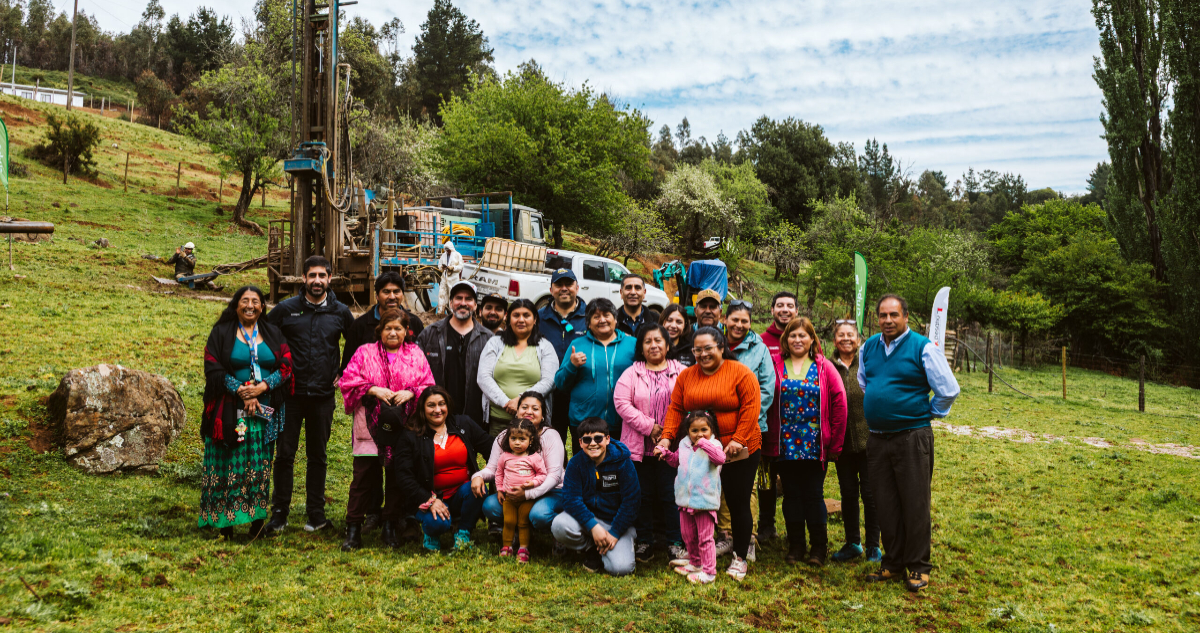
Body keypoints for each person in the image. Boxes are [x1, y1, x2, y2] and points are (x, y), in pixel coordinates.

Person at [859, 294, 960, 592]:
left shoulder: (922, 348)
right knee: (885, 503)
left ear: (906, 317)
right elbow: (866, 383)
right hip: (877, 439)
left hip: (912, 438)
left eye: (894, 315)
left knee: (915, 503)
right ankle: (892, 562)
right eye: (882, 315)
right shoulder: (869, 347)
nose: (887, 320)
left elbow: (948, 389)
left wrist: (927, 413)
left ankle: (918, 566)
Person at [657, 326, 761, 582]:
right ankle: (699, 556)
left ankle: (740, 556)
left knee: (737, 502)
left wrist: (738, 439)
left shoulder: (740, 373)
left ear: (721, 347)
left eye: (708, 348)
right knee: (698, 504)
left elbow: (751, 407)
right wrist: (667, 437)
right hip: (699, 453)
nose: (702, 354)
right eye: (697, 349)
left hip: (738, 449)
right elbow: (676, 408)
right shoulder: (687, 376)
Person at [264, 256, 354, 534]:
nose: (317, 281)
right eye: (311, 275)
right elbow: (266, 337)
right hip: (290, 395)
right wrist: (277, 372)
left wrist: (343, 370)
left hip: (323, 396)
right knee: (284, 455)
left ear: (330, 278)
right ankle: (279, 514)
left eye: (322, 276)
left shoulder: (340, 312)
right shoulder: (285, 310)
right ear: (303, 278)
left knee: (318, 456)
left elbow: (354, 341)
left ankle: (316, 514)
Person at [199, 286, 293, 540]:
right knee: (227, 463)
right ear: (236, 304)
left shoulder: (273, 333)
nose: (250, 305)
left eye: (256, 301)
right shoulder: (221, 333)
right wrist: (241, 391)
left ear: (263, 306)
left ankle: (256, 523)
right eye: (245, 301)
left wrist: (262, 387)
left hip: (265, 412)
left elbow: (286, 364)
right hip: (229, 410)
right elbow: (212, 365)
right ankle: (224, 524)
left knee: (259, 466)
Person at [338, 308, 435, 551]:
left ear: (406, 332)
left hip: (402, 426)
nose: (393, 332)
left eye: (398, 328)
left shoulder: (415, 354)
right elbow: (347, 379)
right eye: (388, 328)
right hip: (368, 426)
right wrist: (373, 389)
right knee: (363, 478)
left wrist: (411, 391)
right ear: (380, 330)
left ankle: (390, 524)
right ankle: (353, 529)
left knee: (395, 477)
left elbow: (428, 383)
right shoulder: (364, 352)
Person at [771, 317, 847, 566]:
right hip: (785, 444)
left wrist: (835, 444)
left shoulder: (825, 367)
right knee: (791, 496)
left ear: (812, 339)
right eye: (793, 335)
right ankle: (795, 546)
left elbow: (839, 403)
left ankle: (818, 547)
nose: (797, 340)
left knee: (813, 495)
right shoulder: (775, 365)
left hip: (816, 445)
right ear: (786, 340)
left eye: (803, 335)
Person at [613, 323, 686, 562]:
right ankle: (644, 541)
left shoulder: (682, 372)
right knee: (641, 495)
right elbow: (622, 403)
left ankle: (675, 541)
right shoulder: (632, 373)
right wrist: (649, 427)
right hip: (639, 448)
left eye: (658, 340)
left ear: (667, 344)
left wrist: (668, 433)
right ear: (641, 348)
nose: (653, 345)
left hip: (672, 448)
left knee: (671, 494)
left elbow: (689, 403)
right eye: (647, 341)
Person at [395, 387, 495, 552]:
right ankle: (431, 534)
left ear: (448, 405)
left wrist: (481, 474)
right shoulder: (411, 435)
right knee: (437, 524)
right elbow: (403, 476)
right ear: (422, 408)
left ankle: (463, 532)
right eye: (431, 405)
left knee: (478, 488)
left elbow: (492, 448)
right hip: (427, 498)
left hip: (461, 494)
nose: (437, 410)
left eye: (442, 404)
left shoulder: (463, 424)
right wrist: (429, 499)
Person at [719, 301, 775, 560]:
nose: (739, 325)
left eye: (745, 321)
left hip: (749, 428)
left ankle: (747, 537)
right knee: (719, 482)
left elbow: (766, 389)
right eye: (735, 320)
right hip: (717, 428)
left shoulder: (759, 349)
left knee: (745, 485)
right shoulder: (714, 342)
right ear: (725, 319)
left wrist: (744, 421)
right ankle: (725, 534)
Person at [551, 417, 641, 576]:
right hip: (588, 522)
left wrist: (615, 532)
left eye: (598, 438)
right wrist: (592, 526)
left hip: (616, 523)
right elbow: (570, 499)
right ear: (580, 443)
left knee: (621, 569)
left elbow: (631, 501)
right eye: (587, 439)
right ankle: (591, 548)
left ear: (607, 439)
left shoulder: (624, 463)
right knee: (559, 524)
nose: (592, 443)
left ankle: (613, 545)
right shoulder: (575, 463)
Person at [473, 391, 566, 540]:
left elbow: (554, 476)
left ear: (543, 415)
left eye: (535, 408)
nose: (529, 411)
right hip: (515, 493)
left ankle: (557, 534)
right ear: (517, 411)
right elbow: (493, 468)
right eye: (524, 407)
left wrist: (528, 494)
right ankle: (519, 529)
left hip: (551, 491)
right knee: (490, 506)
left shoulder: (550, 436)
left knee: (539, 514)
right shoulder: (505, 436)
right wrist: (478, 476)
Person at [829, 319, 880, 563]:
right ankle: (853, 543)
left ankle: (873, 546)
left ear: (858, 340)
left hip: (871, 441)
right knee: (848, 493)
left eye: (851, 335)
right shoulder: (828, 366)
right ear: (834, 340)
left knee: (871, 494)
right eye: (841, 335)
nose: (846, 338)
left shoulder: (869, 362)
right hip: (842, 444)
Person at [554, 298, 636, 447]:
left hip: (621, 422)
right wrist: (571, 366)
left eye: (606, 315)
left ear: (615, 319)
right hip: (583, 422)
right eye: (596, 316)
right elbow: (560, 384)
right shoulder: (577, 345)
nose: (602, 320)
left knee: (615, 467)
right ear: (588, 322)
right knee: (585, 468)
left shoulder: (632, 344)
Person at [654, 412, 725, 584]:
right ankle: (695, 562)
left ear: (711, 429)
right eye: (695, 430)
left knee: (705, 538)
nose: (700, 434)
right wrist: (666, 454)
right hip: (685, 499)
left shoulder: (715, 445)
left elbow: (720, 459)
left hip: (704, 501)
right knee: (688, 535)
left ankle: (709, 572)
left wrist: (704, 444)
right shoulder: (684, 445)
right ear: (688, 432)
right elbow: (676, 461)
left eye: (704, 430)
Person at [416, 281, 494, 424]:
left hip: (473, 419)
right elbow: (415, 371)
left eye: (469, 299)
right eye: (458, 298)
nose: (463, 303)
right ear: (451, 303)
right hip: (436, 417)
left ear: (476, 305)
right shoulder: (430, 334)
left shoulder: (488, 339)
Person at [477, 298, 559, 436]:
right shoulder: (495, 342)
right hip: (498, 420)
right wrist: (506, 402)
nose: (521, 320)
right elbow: (483, 377)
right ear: (508, 319)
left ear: (534, 320)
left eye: (526, 315)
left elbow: (549, 381)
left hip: (532, 424)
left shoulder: (545, 346)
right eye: (516, 315)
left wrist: (521, 401)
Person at [757, 291, 798, 543]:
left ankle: (794, 528)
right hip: (767, 422)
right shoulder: (761, 341)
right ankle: (766, 524)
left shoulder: (803, 337)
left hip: (797, 425)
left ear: (797, 310)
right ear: (772, 310)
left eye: (790, 306)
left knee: (793, 479)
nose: (785, 309)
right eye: (780, 305)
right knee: (766, 479)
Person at [538, 268, 588, 448]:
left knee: (582, 444)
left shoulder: (589, 316)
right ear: (551, 289)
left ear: (577, 287)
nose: (564, 288)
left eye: (569, 284)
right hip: (550, 393)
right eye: (559, 284)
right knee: (552, 445)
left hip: (580, 391)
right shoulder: (538, 318)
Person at [341, 272, 425, 374]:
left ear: (402, 294)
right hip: (371, 388)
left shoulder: (414, 323)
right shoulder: (360, 326)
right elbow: (348, 367)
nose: (392, 296)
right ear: (377, 295)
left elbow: (423, 364)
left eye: (396, 291)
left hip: (406, 388)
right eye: (386, 292)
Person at [492, 418, 548, 562]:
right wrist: (499, 489)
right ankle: (507, 547)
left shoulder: (534, 458)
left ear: (531, 440)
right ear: (508, 439)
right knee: (509, 522)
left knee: (523, 523)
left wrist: (532, 483)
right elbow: (499, 473)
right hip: (509, 498)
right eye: (513, 438)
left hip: (526, 498)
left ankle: (524, 549)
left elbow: (542, 475)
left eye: (522, 439)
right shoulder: (505, 456)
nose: (517, 442)